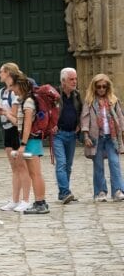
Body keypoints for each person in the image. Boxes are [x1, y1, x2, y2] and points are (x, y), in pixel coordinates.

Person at [0, 63, 30, 213]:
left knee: (22, 166)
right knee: (14, 167)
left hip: (16, 131)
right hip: (7, 130)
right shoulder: (2, 91)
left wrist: (3, 111)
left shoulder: (15, 92)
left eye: (1, 72)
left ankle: (25, 200)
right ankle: (15, 199)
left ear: (8, 73)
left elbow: (16, 117)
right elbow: (3, 115)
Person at [81, 74, 124, 202]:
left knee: (114, 162)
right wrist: (86, 135)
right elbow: (85, 118)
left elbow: (120, 117)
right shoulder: (89, 101)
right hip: (96, 137)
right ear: (94, 87)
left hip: (112, 137)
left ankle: (118, 190)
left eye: (104, 87)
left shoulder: (113, 100)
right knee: (98, 165)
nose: (101, 89)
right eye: (98, 86)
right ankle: (100, 192)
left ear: (107, 87)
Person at [12, 71, 50, 215]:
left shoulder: (28, 102)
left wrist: (23, 144)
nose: (12, 90)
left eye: (13, 87)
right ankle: (40, 202)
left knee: (35, 173)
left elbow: (27, 124)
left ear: (20, 86)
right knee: (35, 173)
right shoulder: (26, 101)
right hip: (31, 141)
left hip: (31, 141)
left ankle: (40, 202)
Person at [53, 67, 81, 204]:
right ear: (63, 81)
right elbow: (47, 111)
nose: (74, 81)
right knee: (62, 163)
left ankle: (63, 192)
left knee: (68, 165)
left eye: (75, 78)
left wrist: (80, 124)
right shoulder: (54, 95)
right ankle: (65, 192)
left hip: (72, 134)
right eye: (71, 79)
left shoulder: (77, 95)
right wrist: (51, 125)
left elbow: (82, 112)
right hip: (58, 134)